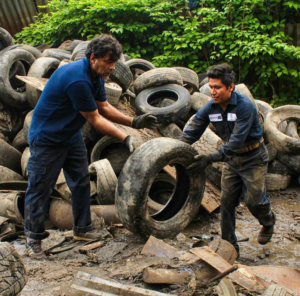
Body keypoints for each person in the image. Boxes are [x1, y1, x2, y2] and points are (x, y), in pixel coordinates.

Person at [25, 34, 157, 259]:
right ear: (93, 58)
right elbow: (94, 119)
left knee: (81, 182)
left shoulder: (96, 76)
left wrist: (134, 121)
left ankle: (82, 229)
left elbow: (104, 107)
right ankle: (33, 239)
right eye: (108, 62)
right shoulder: (78, 79)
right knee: (40, 187)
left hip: (70, 135)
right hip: (48, 138)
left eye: (115, 63)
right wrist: (125, 138)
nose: (112, 68)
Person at [178, 64, 275, 256]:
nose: (213, 92)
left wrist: (209, 158)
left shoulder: (244, 107)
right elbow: (192, 131)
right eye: (211, 87)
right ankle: (230, 247)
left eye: (218, 87)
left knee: (253, 201)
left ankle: (268, 221)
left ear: (230, 87)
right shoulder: (210, 108)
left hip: (253, 158)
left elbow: (236, 143)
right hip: (232, 161)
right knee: (227, 202)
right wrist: (173, 149)